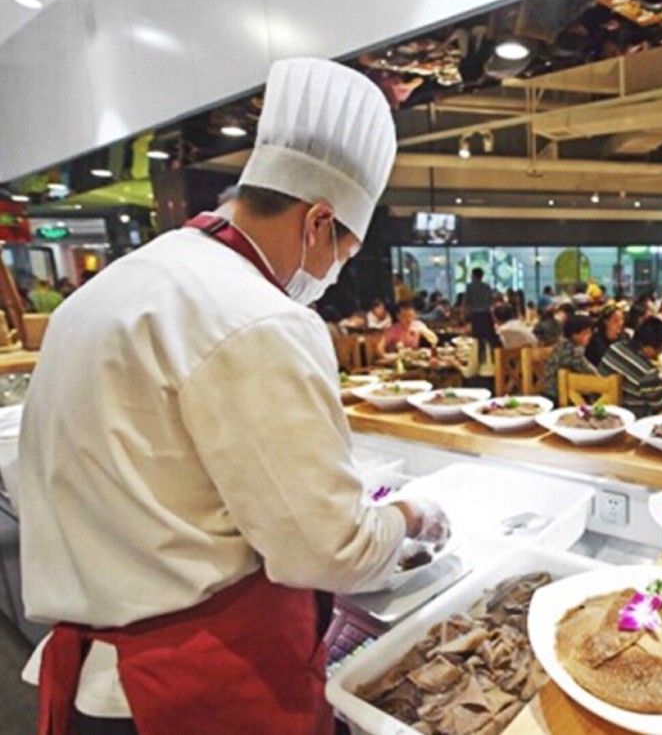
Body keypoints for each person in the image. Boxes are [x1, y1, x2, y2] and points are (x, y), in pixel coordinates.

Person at [16, 58, 449, 734]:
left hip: (93, 685)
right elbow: (330, 552)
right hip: (189, 692)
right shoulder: (260, 315)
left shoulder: (111, 288)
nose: (332, 273)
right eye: (343, 250)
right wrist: (413, 512)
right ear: (317, 222)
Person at [598, 317, 662, 417]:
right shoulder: (647, 371)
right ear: (648, 348)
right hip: (632, 416)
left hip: (603, 408)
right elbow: (659, 405)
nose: (661, 350)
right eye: (661, 347)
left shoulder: (615, 347)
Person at [540, 315, 598, 401]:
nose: (590, 336)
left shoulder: (562, 344)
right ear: (574, 334)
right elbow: (591, 373)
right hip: (557, 397)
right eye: (586, 332)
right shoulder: (571, 351)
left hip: (550, 392)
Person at [465, 267, 496, 365]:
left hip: (475, 315)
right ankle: (489, 359)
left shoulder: (470, 287)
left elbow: (466, 302)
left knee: (477, 338)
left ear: (473, 275)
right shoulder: (487, 287)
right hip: (486, 315)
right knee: (487, 338)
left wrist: (464, 315)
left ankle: (478, 359)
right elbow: (491, 302)